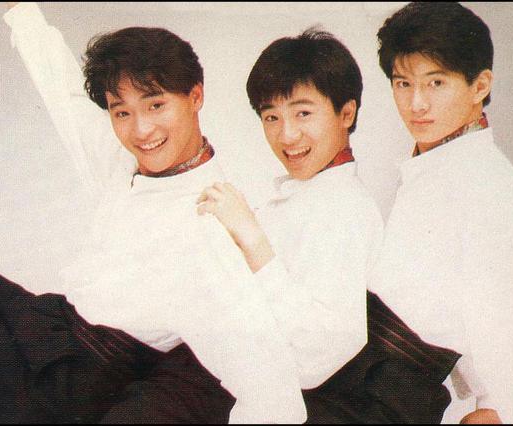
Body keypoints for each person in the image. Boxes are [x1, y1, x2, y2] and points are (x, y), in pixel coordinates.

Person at [0, 2, 308, 423]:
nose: (141, 130)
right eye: (122, 112)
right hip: (46, 322)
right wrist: (21, 10)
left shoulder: (212, 218)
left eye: (156, 105)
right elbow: (65, 95)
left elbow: (268, 382)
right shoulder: (124, 162)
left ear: (195, 96)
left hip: (77, 373)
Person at [113, 28, 461, 424]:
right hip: (207, 372)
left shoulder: (343, 208)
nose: (287, 135)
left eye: (303, 113)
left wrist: (251, 239)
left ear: (346, 114)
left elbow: (316, 356)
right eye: (271, 117)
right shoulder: (301, 197)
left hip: (244, 394)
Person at [370, 2, 513, 423]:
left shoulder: (489, 187)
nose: (417, 103)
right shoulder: (434, 166)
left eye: (436, 83)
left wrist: (495, 408)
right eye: (403, 83)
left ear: (479, 85)